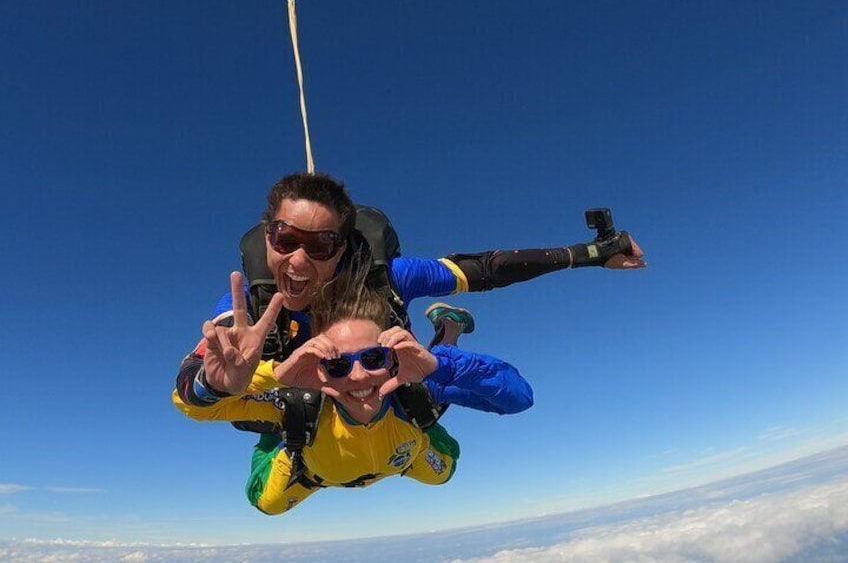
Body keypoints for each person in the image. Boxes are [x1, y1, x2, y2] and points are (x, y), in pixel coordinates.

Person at [174, 172, 645, 409]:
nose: (298, 260)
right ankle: (445, 328)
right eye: (286, 240)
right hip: (312, 391)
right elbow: (191, 382)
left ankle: (446, 332)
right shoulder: (249, 312)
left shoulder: (388, 277)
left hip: (383, 376)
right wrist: (215, 385)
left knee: (423, 400)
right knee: (273, 417)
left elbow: (484, 269)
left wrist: (592, 253)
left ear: (341, 249)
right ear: (267, 236)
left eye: (321, 245)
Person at [174, 264, 533, 515]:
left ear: (391, 357)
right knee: (265, 503)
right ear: (318, 369)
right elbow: (192, 406)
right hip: (314, 472)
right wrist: (275, 376)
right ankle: (279, 441)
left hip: (403, 457)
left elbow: (517, 398)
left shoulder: (407, 385)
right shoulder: (296, 403)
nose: (359, 377)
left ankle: (447, 338)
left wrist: (439, 366)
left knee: (444, 472)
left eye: (374, 357)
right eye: (337, 364)